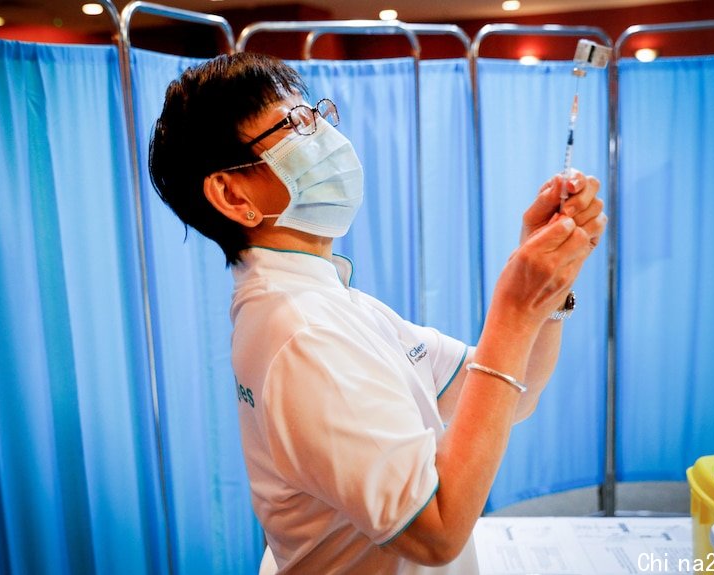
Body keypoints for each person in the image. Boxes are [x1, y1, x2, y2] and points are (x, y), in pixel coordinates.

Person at [149, 52, 606, 574]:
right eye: (294, 125)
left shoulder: (332, 304)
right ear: (232, 194)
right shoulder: (304, 335)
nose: (322, 135)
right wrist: (515, 308)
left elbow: (511, 391)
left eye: (316, 114)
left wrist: (549, 290)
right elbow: (436, 533)